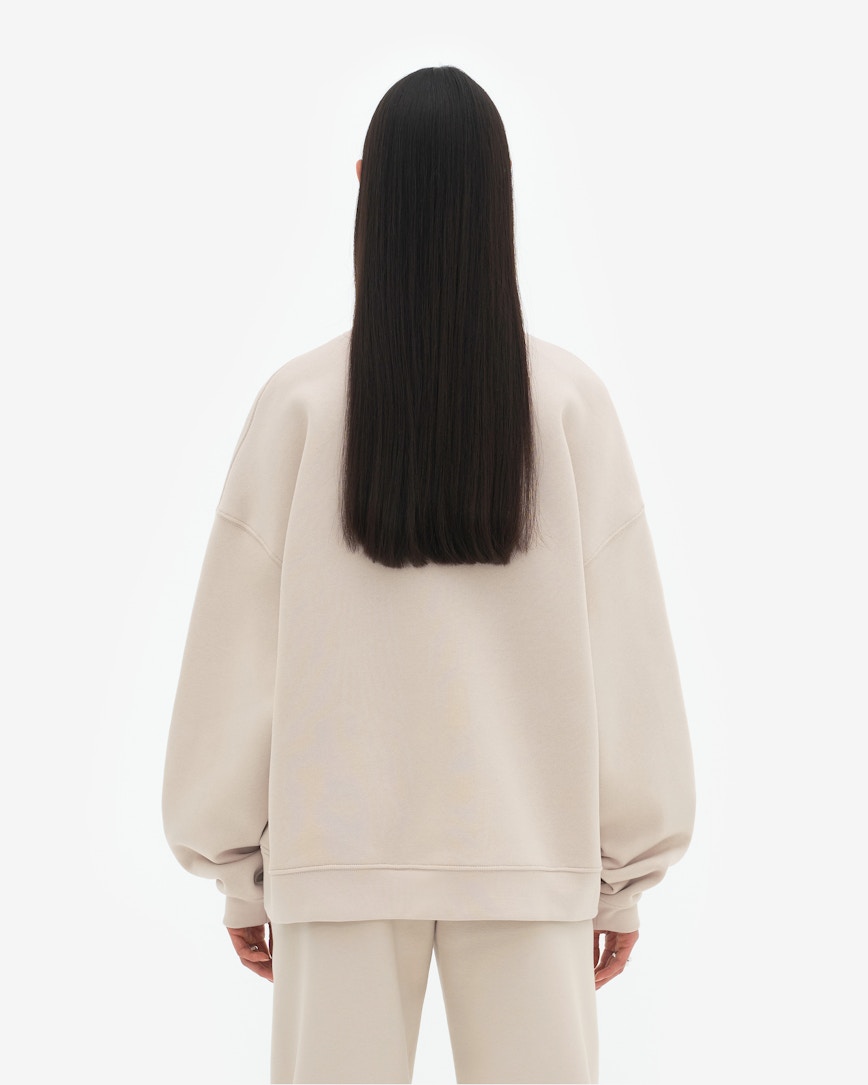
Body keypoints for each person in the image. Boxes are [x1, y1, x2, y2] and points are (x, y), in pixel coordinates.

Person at [161, 65, 696, 1085]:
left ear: (368, 182)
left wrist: (237, 870)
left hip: (336, 856)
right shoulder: (570, 405)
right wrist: (621, 878)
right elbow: (627, 659)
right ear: (499, 194)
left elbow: (237, 659)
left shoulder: (298, 406)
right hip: (529, 849)